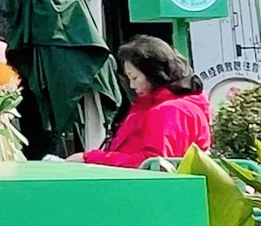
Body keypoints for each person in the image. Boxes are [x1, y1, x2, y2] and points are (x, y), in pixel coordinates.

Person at [87, 34, 216, 168]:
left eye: (135, 77)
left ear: (153, 74)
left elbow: (153, 164)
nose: (132, 85)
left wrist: (91, 158)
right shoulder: (168, 106)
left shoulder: (168, 111)